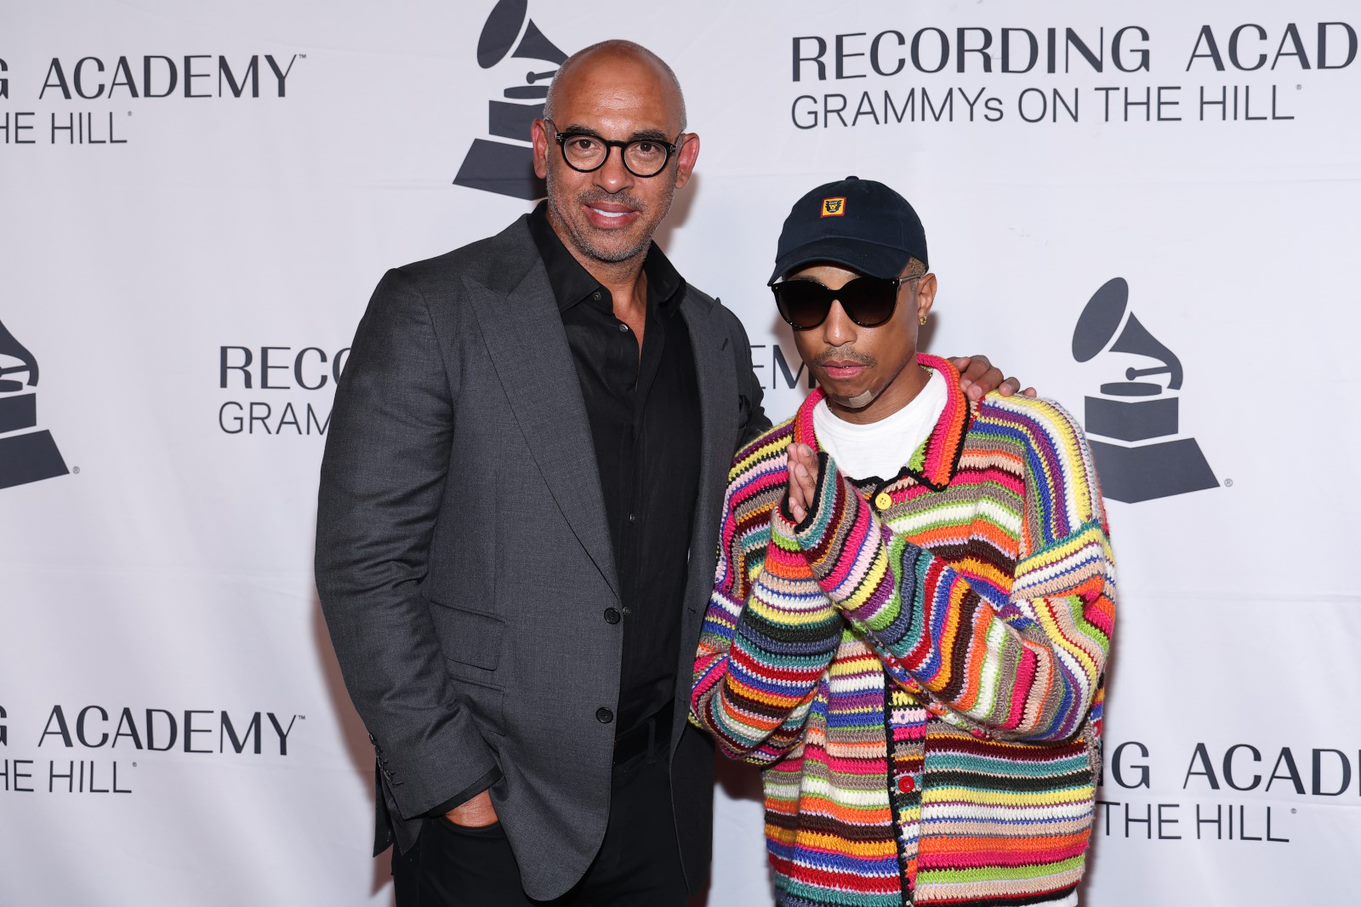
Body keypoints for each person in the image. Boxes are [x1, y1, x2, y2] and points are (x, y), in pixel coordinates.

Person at [315, 40, 1022, 907]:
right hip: (496, 812)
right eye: (586, 143)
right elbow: (362, 568)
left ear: (681, 162)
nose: (613, 176)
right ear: (541, 148)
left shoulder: (712, 336)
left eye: (644, 147)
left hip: (663, 811)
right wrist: (457, 791)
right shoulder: (433, 309)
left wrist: (941, 389)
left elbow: (795, 485)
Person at [690, 176, 1116, 907]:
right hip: (824, 887)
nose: (834, 330)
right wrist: (795, 588)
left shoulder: (1027, 447)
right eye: (805, 300)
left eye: (866, 297)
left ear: (922, 297)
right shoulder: (758, 480)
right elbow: (736, 730)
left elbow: (1059, 692)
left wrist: (855, 557)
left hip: (1005, 891)